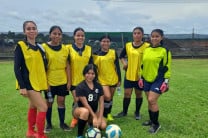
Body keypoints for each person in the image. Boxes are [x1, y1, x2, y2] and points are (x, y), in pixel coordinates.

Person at [14, 21, 48, 138]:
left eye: (34, 28)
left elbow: (43, 66)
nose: (32, 30)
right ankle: (40, 134)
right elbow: (16, 68)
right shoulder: (21, 46)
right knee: (43, 107)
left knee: (33, 106)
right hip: (28, 84)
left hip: (38, 83)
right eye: (28, 29)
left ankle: (30, 132)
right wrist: (22, 86)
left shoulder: (40, 47)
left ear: (37, 31)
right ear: (24, 31)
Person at [138, 29, 171, 134]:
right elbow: (142, 65)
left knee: (152, 100)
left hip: (158, 80)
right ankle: (151, 120)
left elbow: (167, 67)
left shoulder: (164, 51)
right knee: (149, 100)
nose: (154, 38)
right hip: (146, 79)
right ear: (150, 37)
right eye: (153, 36)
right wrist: (141, 78)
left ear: (161, 37)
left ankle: (156, 124)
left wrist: (165, 82)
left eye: (157, 36)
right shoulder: (147, 50)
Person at [114, 27, 150, 120]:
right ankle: (124, 112)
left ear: (142, 34)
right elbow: (121, 56)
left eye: (139, 33)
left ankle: (137, 112)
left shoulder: (147, 46)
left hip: (140, 76)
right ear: (132, 35)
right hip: (129, 74)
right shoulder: (128, 45)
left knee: (138, 94)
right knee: (127, 94)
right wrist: (125, 63)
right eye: (135, 33)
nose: (137, 35)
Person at [42, 25, 71, 133]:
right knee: (49, 102)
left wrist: (69, 81)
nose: (57, 36)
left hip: (62, 80)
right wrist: (45, 82)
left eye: (59, 34)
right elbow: (42, 67)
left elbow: (67, 66)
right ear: (50, 34)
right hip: (49, 81)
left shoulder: (65, 49)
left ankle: (62, 123)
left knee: (61, 101)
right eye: (54, 33)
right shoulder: (44, 47)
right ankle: (49, 124)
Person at [66, 27, 93, 128]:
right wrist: (68, 81)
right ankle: (76, 117)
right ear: (74, 37)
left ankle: (85, 117)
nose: (80, 37)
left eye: (82, 35)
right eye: (78, 35)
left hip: (86, 81)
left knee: (86, 100)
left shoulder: (89, 49)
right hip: (74, 81)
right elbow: (67, 66)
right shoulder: (68, 48)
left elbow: (91, 66)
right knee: (78, 100)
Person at [73, 64, 107, 138]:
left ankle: (90, 123)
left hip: (93, 111)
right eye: (88, 73)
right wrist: (94, 117)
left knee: (103, 126)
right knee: (85, 112)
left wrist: (100, 118)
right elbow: (85, 104)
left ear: (95, 74)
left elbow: (101, 103)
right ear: (84, 74)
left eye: (92, 73)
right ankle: (79, 135)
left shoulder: (98, 86)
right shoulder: (80, 86)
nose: (90, 76)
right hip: (79, 110)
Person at [93, 35, 121, 121]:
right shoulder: (95, 54)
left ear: (110, 43)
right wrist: (94, 79)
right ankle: (103, 114)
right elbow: (93, 68)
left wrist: (119, 79)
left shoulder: (113, 52)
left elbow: (117, 66)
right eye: (103, 41)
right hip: (102, 79)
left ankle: (108, 113)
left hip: (113, 78)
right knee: (107, 96)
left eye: (107, 41)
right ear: (100, 42)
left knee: (110, 98)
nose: (105, 43)